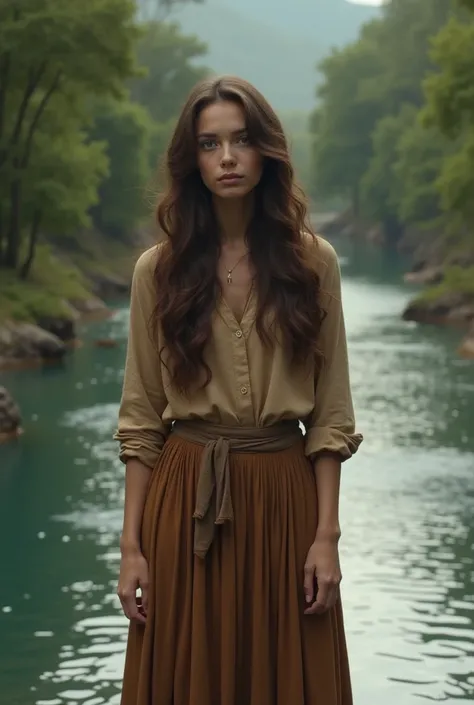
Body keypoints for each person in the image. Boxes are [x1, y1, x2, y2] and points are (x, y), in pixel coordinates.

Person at [114, 74, 363, 705]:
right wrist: (131, 548)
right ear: (190, 159)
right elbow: (142, 418)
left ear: (266, 152)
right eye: (209, 144)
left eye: (242, 140)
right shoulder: (157, 271)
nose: (227, 158)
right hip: (187, 500)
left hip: (286, 501)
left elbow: (331, 415)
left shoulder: (315, 263)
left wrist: (326, 537)